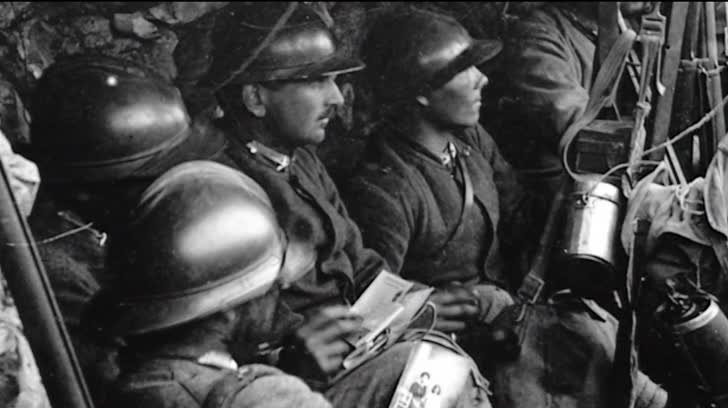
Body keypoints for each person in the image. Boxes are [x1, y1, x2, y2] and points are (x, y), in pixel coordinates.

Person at [202, 3, 492, 407]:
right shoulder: (218, 190)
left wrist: (418, 304)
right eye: (317, 81)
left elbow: (361, 266)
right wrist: (286, 358)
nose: (337, 98)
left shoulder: (301, 162)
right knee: (438, 370)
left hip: (349, 354)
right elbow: (214, 344)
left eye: (336, 80)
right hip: (286, 384)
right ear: (255, 98)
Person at [24, 54, 230, 404]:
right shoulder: (60, 272)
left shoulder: (109, 226)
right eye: (156, 175)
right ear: (92, 189)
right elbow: (125, 390)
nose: (175, 185)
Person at [343, 7, 538, 340]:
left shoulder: (470, 139)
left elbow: (519, 212)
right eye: (463, 69)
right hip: (450, 340)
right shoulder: (385, 188)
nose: (482, 79)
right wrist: (451, 304)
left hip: (506, 312)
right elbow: (376, 303)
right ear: (421, 91)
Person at [86, 160, 331, 408]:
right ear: (229, 308)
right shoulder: (265, 397)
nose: (283, 290)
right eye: (270, 287)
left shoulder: (137, 383)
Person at [492, 2, 655, 201]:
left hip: (607, 182)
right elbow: (572, 120)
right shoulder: (537, 34)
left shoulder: (627, 28)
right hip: (558, 196)